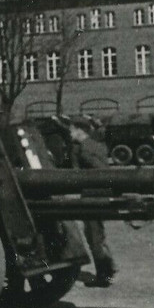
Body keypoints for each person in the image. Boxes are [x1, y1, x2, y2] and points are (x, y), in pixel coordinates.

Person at [59, 114, 118, 287]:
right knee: (98, 233)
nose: (70, 134)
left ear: (80, 130)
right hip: (102, 195)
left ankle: (103, 276)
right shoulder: (98, 145)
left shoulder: (83, 149)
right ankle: (110, 267)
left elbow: (97, 172)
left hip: (93, 195)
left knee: (93, 236)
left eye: (72, 130)